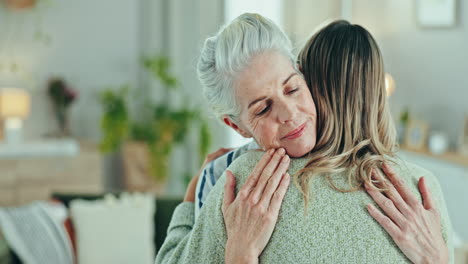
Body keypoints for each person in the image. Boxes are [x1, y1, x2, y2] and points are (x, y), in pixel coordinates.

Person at [155, 14, 453, 264]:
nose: (289, 114)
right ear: (237, 127)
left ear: (303, 74)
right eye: (262, 108)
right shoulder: (236, 184)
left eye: (292, 89)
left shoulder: (235, 177)